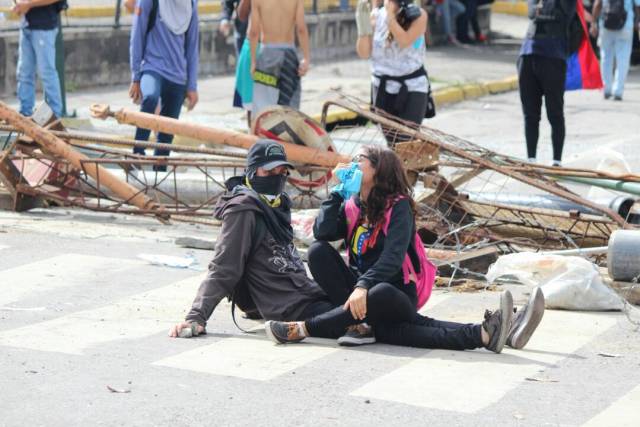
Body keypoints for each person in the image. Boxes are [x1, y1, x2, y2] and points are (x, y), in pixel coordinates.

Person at [265, 146, 545, 353]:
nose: (351, 163)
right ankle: (490, 332)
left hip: (395, 293)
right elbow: (323, 232)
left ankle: (302, 328)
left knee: (385, 297)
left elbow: (393, 257)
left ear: (378, 169)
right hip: (360, 296)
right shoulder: (351, 204)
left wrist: (363, 285)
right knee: (318, 252)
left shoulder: (397, 206)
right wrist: (337, 193)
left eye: (359, 160)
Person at [169, 139, 339, 338]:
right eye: (268, 172)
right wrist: (196, 316)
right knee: (359, 319)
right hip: (288, 306)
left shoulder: (278, 203)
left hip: (304, 292)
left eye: (281, 172)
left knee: (364, 301)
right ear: (251, 172)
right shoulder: (243, 210)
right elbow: (224, 266)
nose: (276, 178)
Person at [129, 0, 199, 167]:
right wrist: (136, 77)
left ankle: (159, 172)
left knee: (167, 131)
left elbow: (192, 45)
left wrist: (192, 86)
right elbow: (137, 35)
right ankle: (137, 155)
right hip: (153, 67)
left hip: (178, 76)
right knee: (150, 98)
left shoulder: (190, 3)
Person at [355, 0, 432, 146]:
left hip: (412, 86)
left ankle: (408, 167)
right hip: (383, 86)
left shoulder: (418, 15)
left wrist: (390, 16)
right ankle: (400, 168)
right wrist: (363, 25)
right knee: (392, 142)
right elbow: (364, 53)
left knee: (405, 141)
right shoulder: (376, 16)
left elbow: (404, 40)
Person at [518, 0, 576, 167]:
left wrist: (543, 12)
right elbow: (531, 12)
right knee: (530, 113)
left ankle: (556, 160)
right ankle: (531, 159)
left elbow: (561, 16)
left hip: (553, 57)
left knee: (555, 113)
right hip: (528, 55)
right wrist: (543, 12)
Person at [248, 0, 310, 116]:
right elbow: (301, 29)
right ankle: (286, 131)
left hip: (266, 56)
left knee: (264, 105)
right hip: (288, 57)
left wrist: (253, 61)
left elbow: (254, 32)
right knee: (290, 107)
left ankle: (266, 133)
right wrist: (306, 58)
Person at [13, 0, 66, 119]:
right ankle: (24, 113)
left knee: (47, 72)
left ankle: (55, 115)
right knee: (24, 72)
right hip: (27, 24)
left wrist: (28, 4)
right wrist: (20, 5)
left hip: (44, 26)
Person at [590, 0, 640, 101]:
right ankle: (618, 91)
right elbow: (638, 6)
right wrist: (637, 22)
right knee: (623, 59)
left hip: (606, 24)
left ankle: (606, 89)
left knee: (605, 58)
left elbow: (598, 4)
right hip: (625, 25)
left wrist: (593, 23)